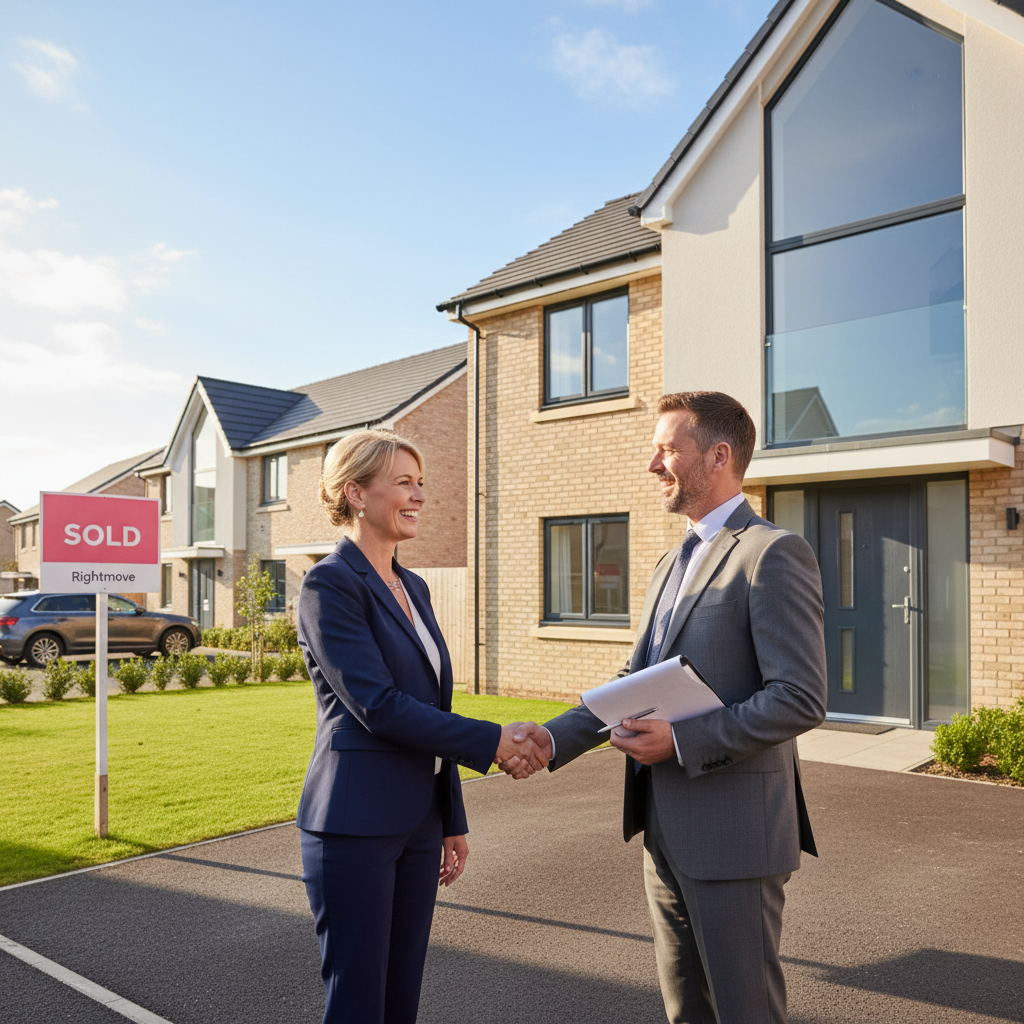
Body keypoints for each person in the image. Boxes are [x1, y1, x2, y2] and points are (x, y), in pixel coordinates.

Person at [504, 392, 827, 1024]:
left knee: (745, 1011)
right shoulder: (667, 563)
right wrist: (553, 739)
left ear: (719, 456)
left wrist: (680, 742)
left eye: (666, 449)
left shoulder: (772, 553)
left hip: (735, 836)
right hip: (664, 831)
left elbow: (800, 696)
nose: (653, 464)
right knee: (686, 1009)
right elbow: (637, 680)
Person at [296, 429, 545, 1024]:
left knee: (402, 994)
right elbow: (377, 705)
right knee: (359, 1000)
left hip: (419, 823)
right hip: (354, 824)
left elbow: (432, 703)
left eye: (422, 483)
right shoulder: (330, 585)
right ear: (355, 492)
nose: (420, 496)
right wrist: (493, 740)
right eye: (403, 483)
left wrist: (449, 818)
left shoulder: (414, 586)